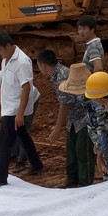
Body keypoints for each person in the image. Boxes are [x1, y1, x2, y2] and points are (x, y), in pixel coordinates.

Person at [0, 33, 44, 188]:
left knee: (2, 143)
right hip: (8, 106)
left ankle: (0, 177)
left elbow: (26, 88)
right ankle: (37, 164)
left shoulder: (22, 62)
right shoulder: (6, 60)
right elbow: (4, 81)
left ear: (8, 46)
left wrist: (20, 113)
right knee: (23, 136)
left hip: (14, 109)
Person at [37, 51, 95, 188]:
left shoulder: (62, 76)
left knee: (83, 152)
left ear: (43, 65)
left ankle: (85, 184)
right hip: (73, 119)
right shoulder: (57, 74)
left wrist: (57, 128)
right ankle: (72, 182)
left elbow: (65, 104)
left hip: (84, 118)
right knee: (72, 152)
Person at [60, 67, 108, 180]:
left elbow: (104, 131)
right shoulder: (85, 101)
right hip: (103, 146)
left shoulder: (98, 103)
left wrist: (99, 156)